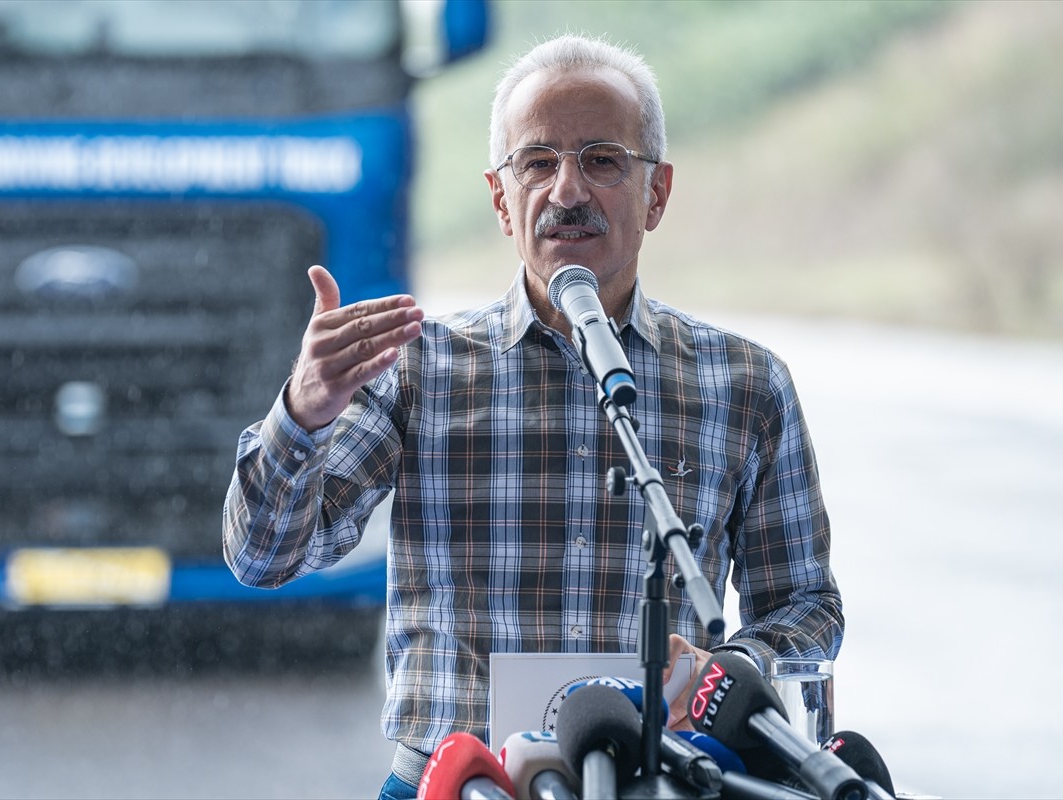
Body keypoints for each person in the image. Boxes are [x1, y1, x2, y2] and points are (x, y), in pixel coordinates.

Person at [223, 33, 843, 800]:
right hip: (457, 783)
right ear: (500, 199)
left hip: (666, 780)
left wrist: (733, 671)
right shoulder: (420, 369)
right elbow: (262, 556)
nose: (568, 190)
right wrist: (303, 415)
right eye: (538, 163)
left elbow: (805, 604)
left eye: (603, 160)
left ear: (657, 193)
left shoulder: (744, 383)